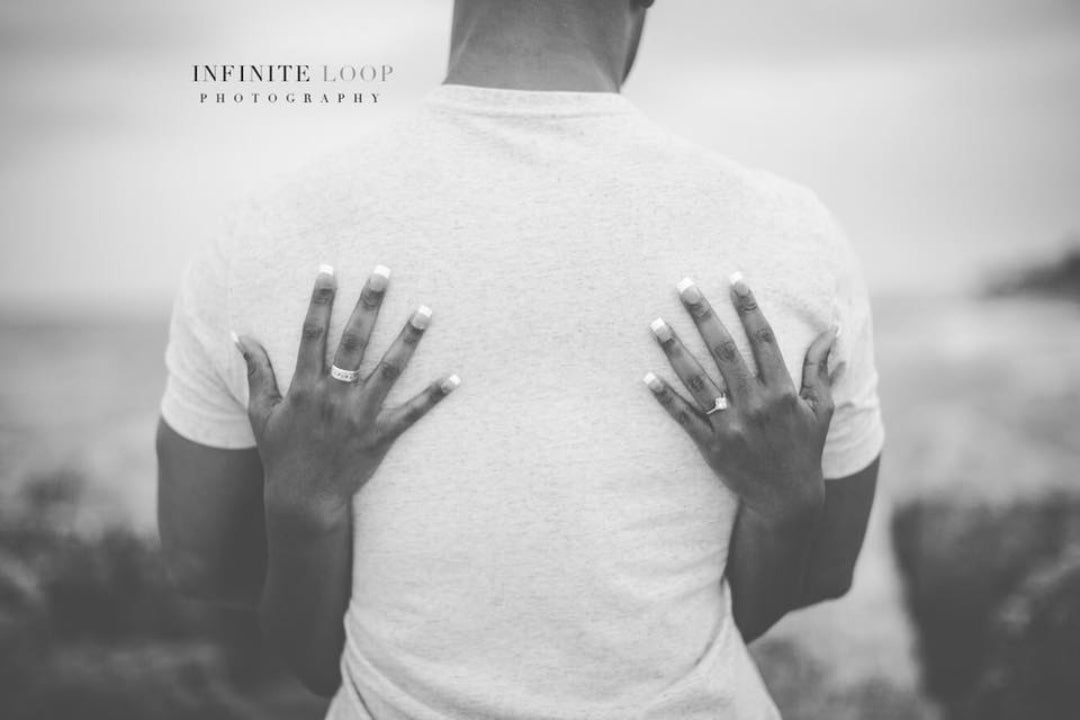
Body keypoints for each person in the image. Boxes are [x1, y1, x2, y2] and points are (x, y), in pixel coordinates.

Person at [156, 1, 885, 718]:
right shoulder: (791, 235)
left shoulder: (263, 232)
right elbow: (820, 574)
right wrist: (785, 509)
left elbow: (208, 568)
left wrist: (302, 511)